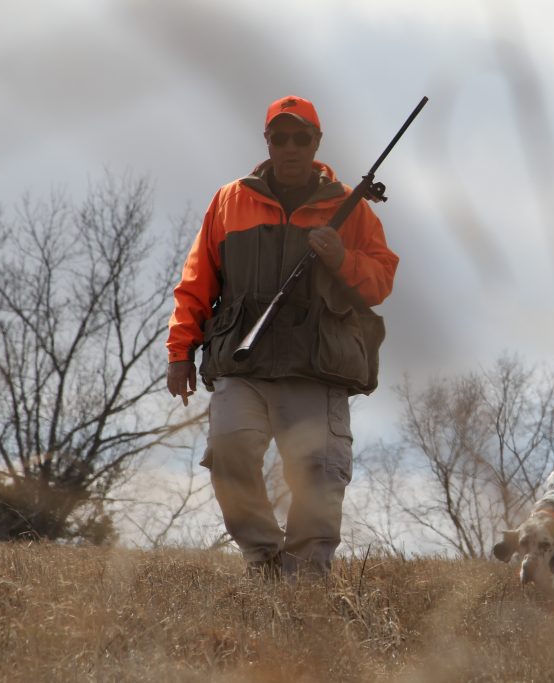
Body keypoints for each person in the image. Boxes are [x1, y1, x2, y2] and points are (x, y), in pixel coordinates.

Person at [165, 95, 398, 578]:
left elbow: (379, 282)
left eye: (301, 138)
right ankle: (264, 560)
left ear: (317, 142)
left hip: (316, 364)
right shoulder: (229, 201)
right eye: (280, 137)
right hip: (242, 362)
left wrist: (340, 258)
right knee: (229, 451)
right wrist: (180, 351)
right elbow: (196, 282)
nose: (290, 147)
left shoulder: (350, 210)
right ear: (266, 141)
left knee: (318, 471)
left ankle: (307, 576)